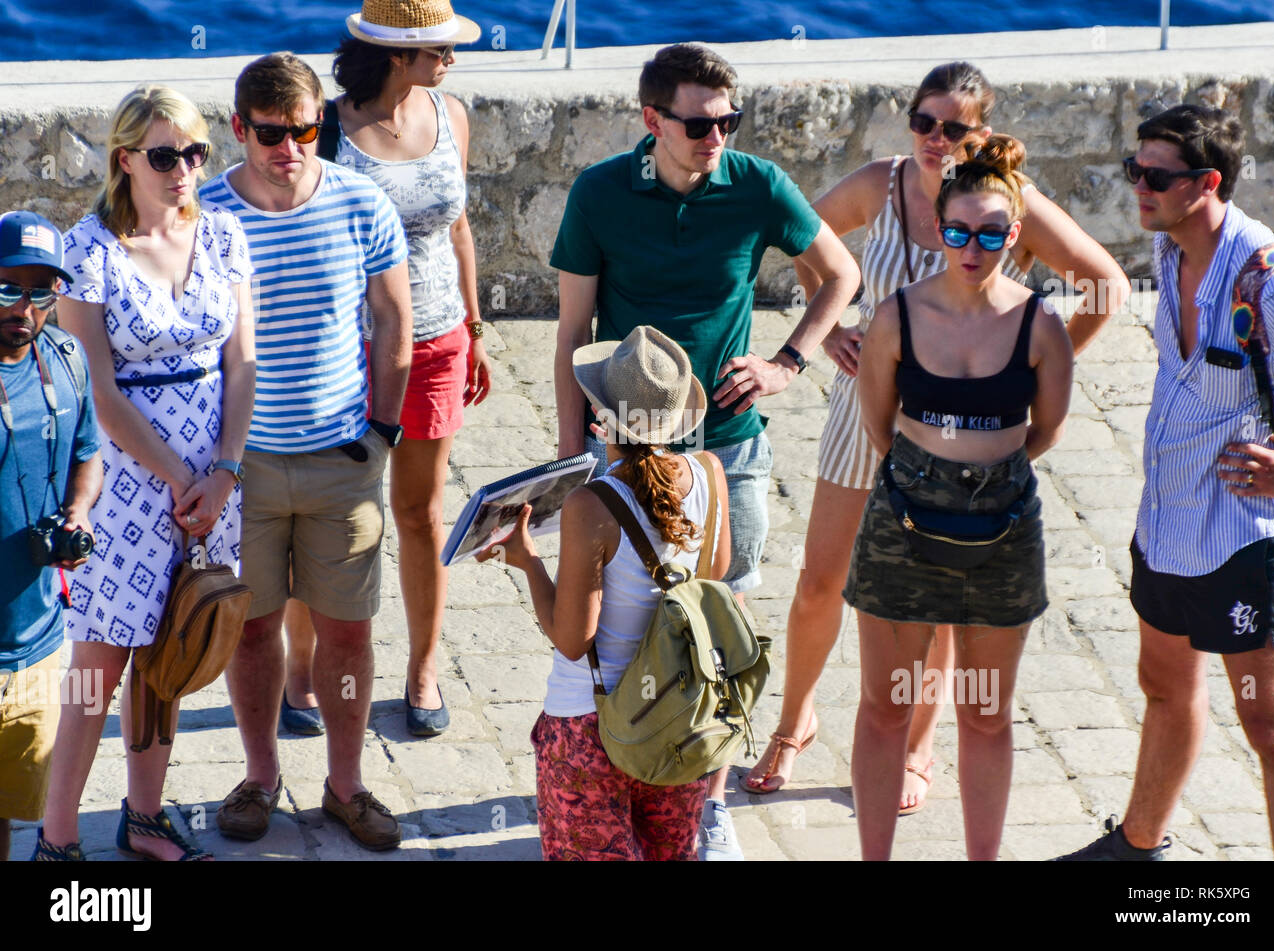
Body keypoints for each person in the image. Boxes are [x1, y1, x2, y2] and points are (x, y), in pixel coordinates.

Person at [746, 62, 1129, 811]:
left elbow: (1106, 284)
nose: (934, 138)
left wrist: (1028, 371)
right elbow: (797, 239)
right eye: (923, 121)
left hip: (963, 435)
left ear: (980, 134)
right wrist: (827, 338)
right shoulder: (878, 186)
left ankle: (918, 745)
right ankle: (794, 724)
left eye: (953, 127)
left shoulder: (1006, 207)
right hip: (866, 412)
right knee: (822, 580)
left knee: (940, 597)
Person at [550, 42, 860, 859]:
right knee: (621, 619)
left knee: (719, 621)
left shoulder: (756, 185)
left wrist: (786, 361)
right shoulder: (599, 193)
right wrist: (568, 453)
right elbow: (572, 334)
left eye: (729, 120)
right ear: (652, 119)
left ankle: (704, 795)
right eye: (698, 122)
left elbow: (839, 274)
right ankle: (618, 761)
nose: (716, 136)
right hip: (620, 445)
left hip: (727, 446)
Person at [1057, 104, 1274, 861]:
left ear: (1207, 183)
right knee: (1164, 686)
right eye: (1135, 170)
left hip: (1244, 538)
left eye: (1155, 176)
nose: (1138, 187)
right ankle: (1138, 845)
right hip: (1168, 519)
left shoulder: (1273, 284)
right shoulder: (1169, 251)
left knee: (1272, 725)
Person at [201, 52, 413, 851]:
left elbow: (395, 321)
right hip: (241, 464)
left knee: (349, 633)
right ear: (239, 129)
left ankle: (345, 782)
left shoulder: (362, 203)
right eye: (270, 134)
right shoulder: (208, 213)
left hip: (341, 461)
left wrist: (382, 432)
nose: (289, 148)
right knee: (250, 631)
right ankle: (260, 775)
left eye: (304, 130)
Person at [39, 86, 255, 861]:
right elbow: (98, 387)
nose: (184, 170)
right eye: (165, 156)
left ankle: (143, 814)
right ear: (125, 159)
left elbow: (242, 366)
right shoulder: (87, 252)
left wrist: (224, 470)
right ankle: (59, 834)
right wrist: (176, 475)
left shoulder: (225, 236)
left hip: (214, 479)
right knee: (98, 664)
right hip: (131, 481)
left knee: (174, 647)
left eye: (196, 154)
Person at [846, 137, 1075, 860]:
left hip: (1004, 529)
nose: (970, 249)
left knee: (986, 713)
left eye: (988, 235)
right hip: (903, 523)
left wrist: (983, 474)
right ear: (938, 229)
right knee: (885, 708)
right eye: (956, 232)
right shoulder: (895, 317)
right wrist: (937, 473)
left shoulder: (1042, 326)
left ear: (1013, 236)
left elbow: (1044, 431)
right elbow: (879, 427)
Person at [277, 0, 491, 739]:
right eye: (439, 49)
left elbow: (459, 227)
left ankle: (423, 669)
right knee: (327, 513)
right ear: (397, 55)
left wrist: (475, 323)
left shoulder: (451, 114)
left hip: (435, 342)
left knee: (419, 513)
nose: (451, 60)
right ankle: (300, 667)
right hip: (343, 351)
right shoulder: (328, 131)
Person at [481, 325, 729, 860]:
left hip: (589, 728)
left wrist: (527, 562)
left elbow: (574, 638)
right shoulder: (710, 472)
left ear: (601, 420)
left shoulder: (591, 505)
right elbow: (714, 574)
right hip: (678, 720)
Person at [0, 212, 102, 862]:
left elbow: (89, 451)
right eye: (8, 288)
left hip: (36, 644)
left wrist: (79, 511)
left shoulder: (66, 360)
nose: (25, 307)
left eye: (41, 292)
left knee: (9, 814)